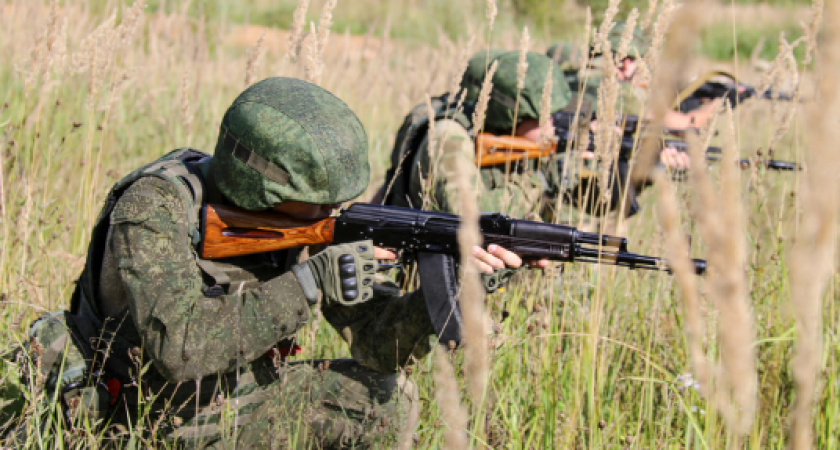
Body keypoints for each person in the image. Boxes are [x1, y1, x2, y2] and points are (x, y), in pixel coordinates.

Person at [14, 77, 538, 448]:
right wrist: (308, 283)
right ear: (264, 188)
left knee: (386, 398)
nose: (334, 213)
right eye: (321, 202)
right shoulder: (154, 209)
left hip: (238, 397)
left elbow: (378, 345)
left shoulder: (305, 222)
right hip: (143, 413)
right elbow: (180, 348)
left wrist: (451, 293)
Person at [380, 50, 573, 220]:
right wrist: (535, 180)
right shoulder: (449, 137)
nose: (551, 129)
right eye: (541, 120)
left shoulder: (508, 141)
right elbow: (471, 218)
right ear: (513, 117)